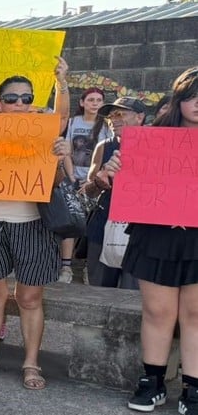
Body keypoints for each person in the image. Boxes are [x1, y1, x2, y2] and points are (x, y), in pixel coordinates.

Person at [0, 63, 72, 390]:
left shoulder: (43, 133)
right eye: (12, 98)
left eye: (27, 98)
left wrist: (58, 157)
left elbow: (57, 182)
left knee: (30, 298)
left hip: (32, 224)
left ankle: (31, 364)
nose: (20, 104)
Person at [106, 67, 198, 415]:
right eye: (190, 95)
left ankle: (193, 387)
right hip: (157, 233)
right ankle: (152, 380)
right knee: (158, 312)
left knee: (195, 314)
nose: (196, 103)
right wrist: (115, 168)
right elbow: (124, 183)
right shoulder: (151, 136)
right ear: (178, 98)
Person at [82, 97, 145, 290]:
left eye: (120, 114)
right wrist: (101, 181)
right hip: (104, 223)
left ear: (140, 117)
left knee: (133, 294)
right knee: (99, 290)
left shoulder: (156, 145)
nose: (113, 120)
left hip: (140, 229)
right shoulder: (104, 146)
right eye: (110, 116)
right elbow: (88, 192)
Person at [57, 87, 110, 283]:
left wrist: (92, 181)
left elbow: (105, 154)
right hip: (74, 178)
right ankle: (66, 267)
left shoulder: (105, 125)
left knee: (92, 225)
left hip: (95, 182)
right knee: (71, 223)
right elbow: (67, 151)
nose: (95, 103)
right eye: (91, 100)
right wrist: (71, 177)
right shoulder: (73, 122)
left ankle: (89, 266)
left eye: (98, 100)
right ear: (82, 103)